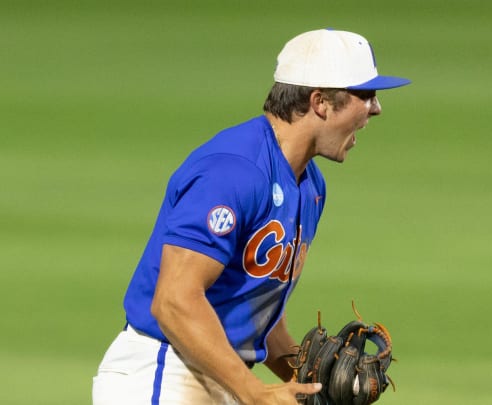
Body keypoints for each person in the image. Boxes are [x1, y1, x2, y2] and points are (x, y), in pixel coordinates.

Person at [92, 28, 410, 405]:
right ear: (321, 102)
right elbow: (174, 301)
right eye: (366, 95)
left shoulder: (311, 185)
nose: (375, 108)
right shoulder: (233, 171)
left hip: (220, 375)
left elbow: (255, 303)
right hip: (163, 372)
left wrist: (307, 380)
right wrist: (254, 392)